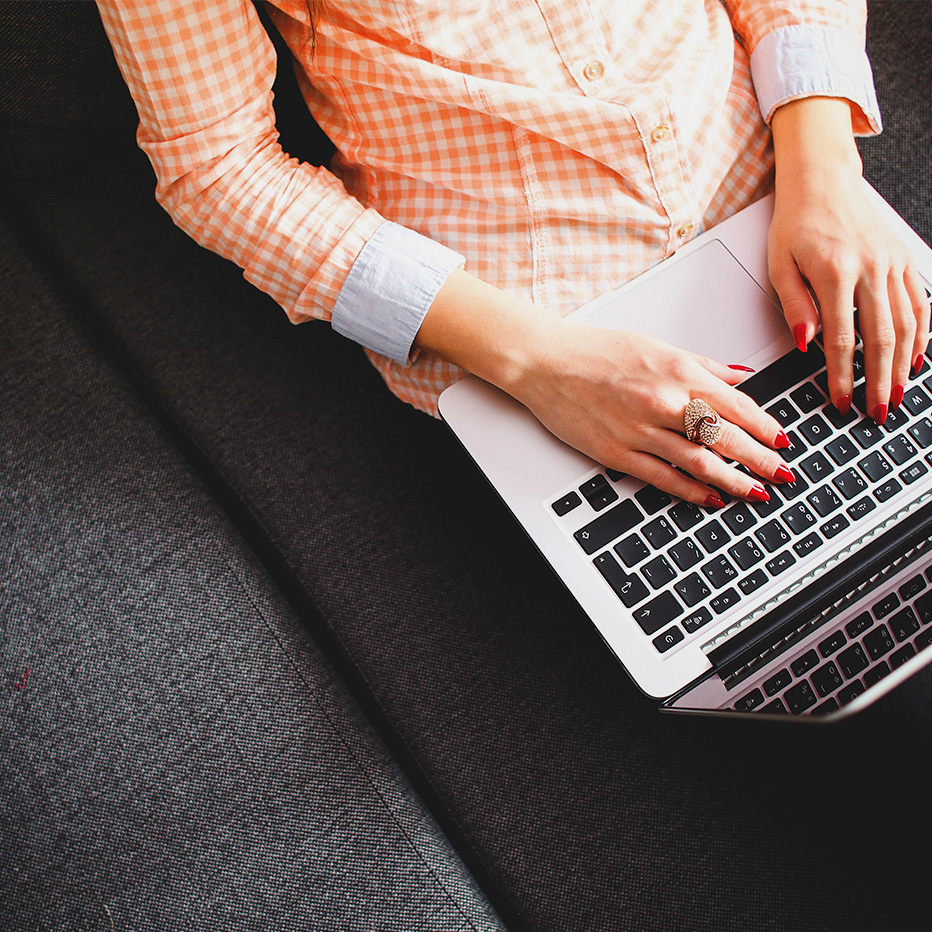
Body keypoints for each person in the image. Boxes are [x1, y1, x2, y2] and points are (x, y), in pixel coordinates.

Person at [97, 0, 929, 511]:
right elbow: (219, 167)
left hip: (792, 200)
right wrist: (542, 362)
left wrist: (824, 166)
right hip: (555, 357)